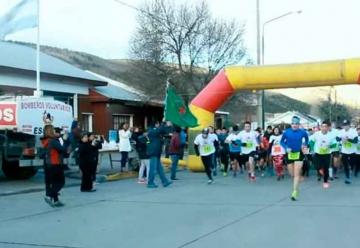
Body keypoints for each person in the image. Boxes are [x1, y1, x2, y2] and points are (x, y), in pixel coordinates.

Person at [281, 116, 309, 201]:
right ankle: (299, 177)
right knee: (292, 174)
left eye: (296, 124)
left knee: (296, 175)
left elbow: (307, 140)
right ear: (291, 124)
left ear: (298, 124)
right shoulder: (286, 132)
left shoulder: (302, 132)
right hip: (290, 154)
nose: (294, 125)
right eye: (293, 123)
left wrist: (304, 145)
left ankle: (294, 192)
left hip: (299, 154)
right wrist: (286, 148)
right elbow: (282, 142)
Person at [42, 125, 67, 207]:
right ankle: (50, 195)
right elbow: (62, 149)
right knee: (61, 182)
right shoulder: (53, 141)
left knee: (53, 182)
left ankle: (56, 200)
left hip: (47, 163)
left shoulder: (45, 140)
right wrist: (65, 140)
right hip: (55, 163)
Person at [309, 121, 337, 188]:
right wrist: (312, 149)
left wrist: (329, 146)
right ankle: (320, 170)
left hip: (327, 154)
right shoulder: (317, 134)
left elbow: (335, 144)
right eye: (322, 126)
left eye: (325, 127)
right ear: (320, 127)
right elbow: (311, 142)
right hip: (318, 153)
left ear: (328, 128)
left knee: (326, 168)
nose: (324, 128)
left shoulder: (331, 135)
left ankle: (325, 181)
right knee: (317, 166)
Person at [146, 121, 172, 188]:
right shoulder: (152, 131)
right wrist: (164, 124)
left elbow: (164, 131)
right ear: (155, 124)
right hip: (154, 152)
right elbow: (160, 130)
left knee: (159, 168)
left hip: (156, 152)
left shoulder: (153, 131)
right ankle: (150, 183)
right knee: (153, 168)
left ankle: (165, 181)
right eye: (158, 124)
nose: (158, 125)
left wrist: (167, 125)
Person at [337, 120, 358, 184]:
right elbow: (337, 139)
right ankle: (347, 177)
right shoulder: (341, 131)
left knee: (352, 164)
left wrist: (348, 139)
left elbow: (356, 141)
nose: (345, 126)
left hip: (352, 151)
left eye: (346, 125)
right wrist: (341, 139)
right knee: (345, 165)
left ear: (349, 125)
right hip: (344, 151)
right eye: (344, 125)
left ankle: (351, 170)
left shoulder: (353, 131)